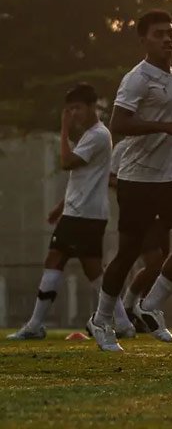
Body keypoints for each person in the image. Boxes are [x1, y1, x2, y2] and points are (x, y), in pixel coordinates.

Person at [88, 10, 172, 352]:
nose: (168, 38)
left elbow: (165, 121)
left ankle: (150, 305)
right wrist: (169, 127)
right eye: (159, 34)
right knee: (127, 254)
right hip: (137, 179)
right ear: (144, 41)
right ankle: (101, 319)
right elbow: (119, 124)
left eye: (171, 33)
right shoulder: (137, 79)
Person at [7, 84, 132, 340]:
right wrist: (60, 207)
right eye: (69, 109)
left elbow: (66, 163)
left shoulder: (98, 135)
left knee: (75, 266)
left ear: (91, 107)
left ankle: (36, 325)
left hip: (83, 215)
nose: (73, 114)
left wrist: (62, 128)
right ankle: (121, 322)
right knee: (80, 267)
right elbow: (85, 179)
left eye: (76, 108)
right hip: (79, 212)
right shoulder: (90, 135)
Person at [108, 143, 171, 333]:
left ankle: (139, 309)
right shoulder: (123, 148)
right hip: (138, 213)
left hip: (161, 213)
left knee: (159, 264)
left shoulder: (161, 143)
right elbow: (109, 178)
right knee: (153, 260)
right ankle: (127, 308)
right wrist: (136, 187)